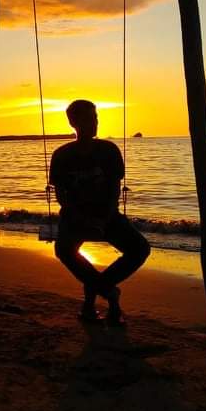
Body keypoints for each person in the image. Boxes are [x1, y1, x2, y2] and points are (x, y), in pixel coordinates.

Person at [49, 99, 150, 325]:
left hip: (106, 214)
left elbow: (114, 189)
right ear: (73, 122)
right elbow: (60, 194)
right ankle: (110, 295)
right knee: (64, 250)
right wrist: (77, 216)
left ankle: (96, 293)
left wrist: (103, 219)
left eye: (96, 117)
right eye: (89, 118)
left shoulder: (108, 151)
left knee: (140, 249)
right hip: (75, 215)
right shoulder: (62, 155)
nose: (95, 122)